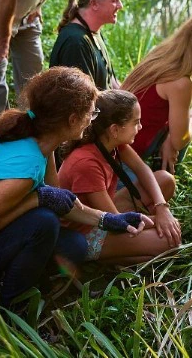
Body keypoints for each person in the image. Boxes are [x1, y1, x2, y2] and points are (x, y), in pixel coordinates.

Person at [0, 67, 150, 309]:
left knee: (73, 243)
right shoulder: (25, 168)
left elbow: (60, 202)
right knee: (42, 223)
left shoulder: (38, 138)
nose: (92, 119)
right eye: (91, 113)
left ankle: (14, 281)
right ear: (73, 119)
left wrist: (107, 219)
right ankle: (12, 310)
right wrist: (36, 200)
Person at [58, 89, 181, 265]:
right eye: (136, 122)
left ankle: (126, 251)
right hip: (88, 229)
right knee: (169, 240)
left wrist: (162, 209)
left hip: (105, 213)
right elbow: (113, 219)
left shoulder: (111, 142)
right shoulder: (85, 163)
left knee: (165, 179)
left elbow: (142, 169)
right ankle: (103, 257)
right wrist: (160, 223)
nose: (140, 127)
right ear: (115, 129)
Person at [121, 14, 192, 174]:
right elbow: (179, 141)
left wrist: (170, 138)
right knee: (166, 184)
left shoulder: (161, 56)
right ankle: (164, 174)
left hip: (115, 151)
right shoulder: (180, 83)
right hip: (122, 166)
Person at [49, 0, 122, 90]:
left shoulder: (93, 32)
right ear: (94, 4)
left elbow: (111, 81)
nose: (120, 5)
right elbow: (83, 102)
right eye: (114, 0)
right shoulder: (76, 43)